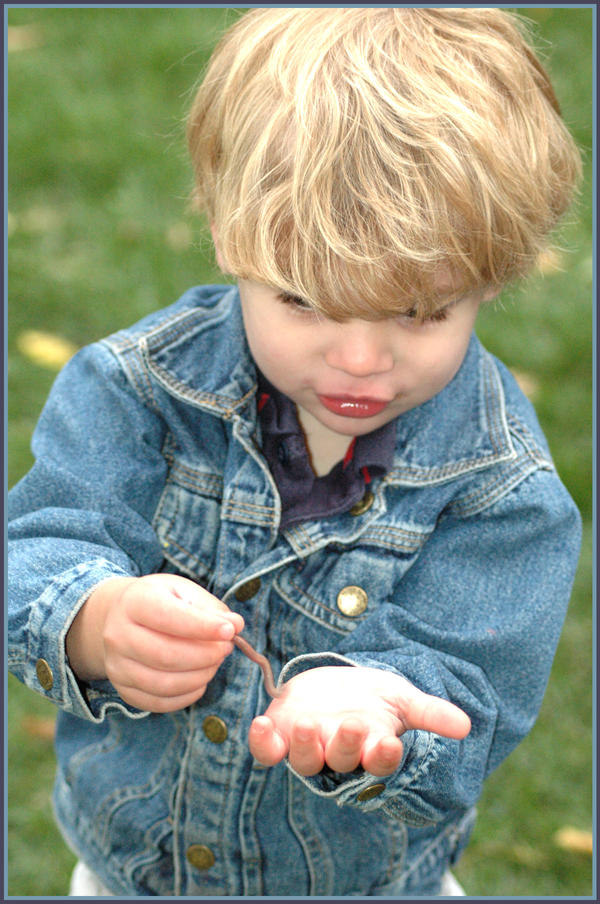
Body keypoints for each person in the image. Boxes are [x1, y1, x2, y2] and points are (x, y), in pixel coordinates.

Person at [8, 8, 582, 898]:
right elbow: (37, 548)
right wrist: (93, 617)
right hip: (129, 875)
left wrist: (375, 706)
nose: (360, 359)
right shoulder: (137, 390)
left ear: (494, 274)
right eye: (305, 301)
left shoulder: (499, 488)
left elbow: (466, 691)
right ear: (232, 239)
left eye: (420, 312)